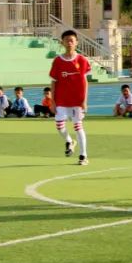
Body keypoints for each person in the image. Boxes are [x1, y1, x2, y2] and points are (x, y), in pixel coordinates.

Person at [49, 29, 91, 165]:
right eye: (66, 40)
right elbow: (53, 82)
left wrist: (84, 101)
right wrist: (53, 101)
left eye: (72, 40)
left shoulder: (82, 60)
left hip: (77, 101)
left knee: (78, 126)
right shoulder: (57, 61)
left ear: (76, 43)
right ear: (62, 43)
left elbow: (85, 82)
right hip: (61, 100)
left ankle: (83, 156)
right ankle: (69, 141)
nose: (69, 43)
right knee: (59, 126)